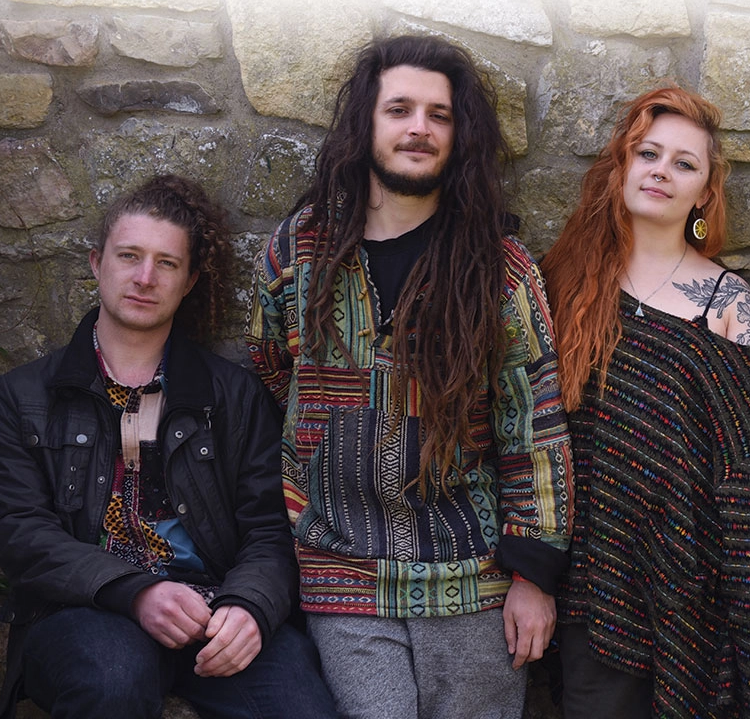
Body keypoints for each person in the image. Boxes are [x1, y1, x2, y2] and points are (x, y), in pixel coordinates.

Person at [245, 35, 572, 718]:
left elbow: (534, 426)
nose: (419, 127)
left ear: (459, 135)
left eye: (438, 114)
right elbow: (273, 368)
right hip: (342, 572)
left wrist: (534, 575)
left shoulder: (500, 269)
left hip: (473, 576)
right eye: (399, 109)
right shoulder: (298, 253)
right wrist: (336, 439)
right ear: (366, 122)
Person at [0, 175, 336, 719]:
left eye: (166, 263)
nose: (145, 278)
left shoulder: (236, 397)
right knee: (111, 680)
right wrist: (136, 591)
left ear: (189, 282)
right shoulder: (21, 397)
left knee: (299, 707)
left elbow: (272, 528)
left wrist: (251, 605)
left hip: (213, 607)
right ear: (97, 263)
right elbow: (19, 532)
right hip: (84, 609)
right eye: (129, 256)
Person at [541, 86, 750, 719]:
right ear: (622, 166)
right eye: (648, 153)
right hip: (592, 580)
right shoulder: (562, 282)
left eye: (684, 163)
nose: (661, 170)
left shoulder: (728, 304)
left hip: (691, 584)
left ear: (704, 192)